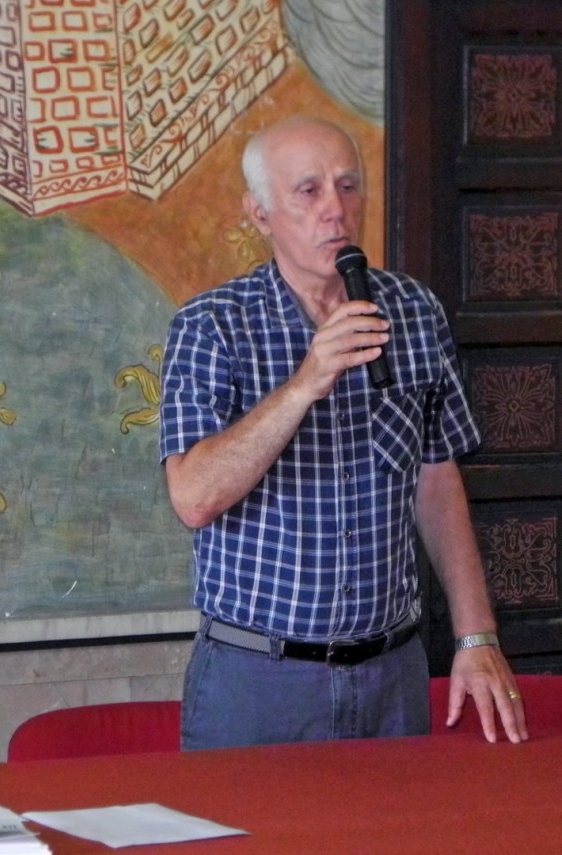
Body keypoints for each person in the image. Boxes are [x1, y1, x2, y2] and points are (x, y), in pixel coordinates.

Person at [159, 115, 528, 749]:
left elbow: (436, 478)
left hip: (392, 672)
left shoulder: (412, 310)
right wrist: (304, 384)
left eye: (348, 186)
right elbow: (194, 498)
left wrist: (477, 637)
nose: (335, 209)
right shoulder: (211, 326)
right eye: (309, 191)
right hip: (259, 676)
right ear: (260, 213)